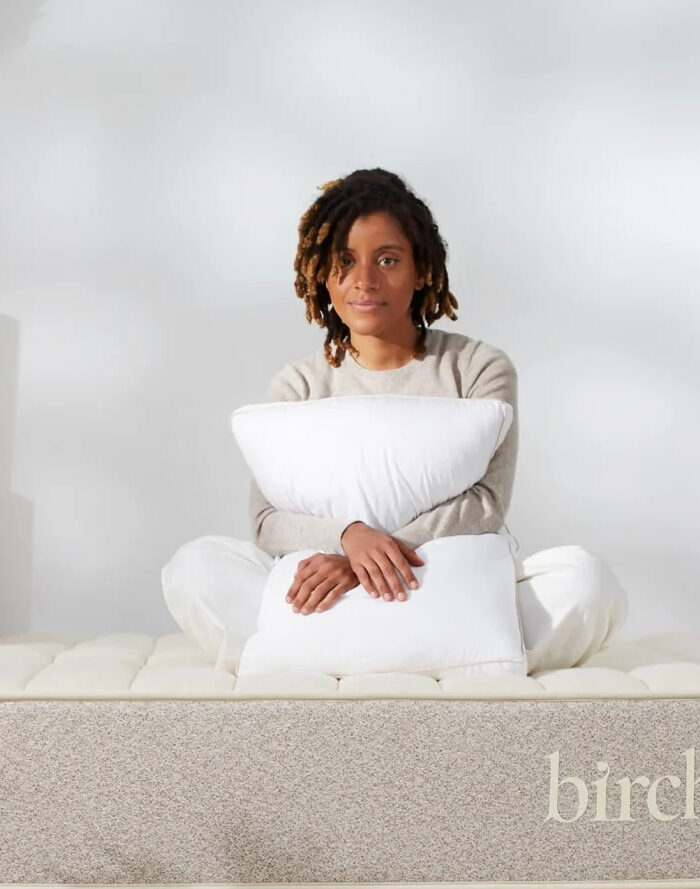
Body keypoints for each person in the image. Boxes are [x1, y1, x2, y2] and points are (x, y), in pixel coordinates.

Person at [162, 167, 628, 674]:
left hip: (436, 577)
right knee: (193, 570)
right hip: (324, 587)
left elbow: (486, 504)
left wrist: (370, 560)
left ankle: (391, 651)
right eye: (344, 261)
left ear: (423, 270)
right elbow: (267, 521)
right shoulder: (297, 386)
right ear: (321, 271)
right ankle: (377, 650)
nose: (364, 281)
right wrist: (349, 538)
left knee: (586, 581)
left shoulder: (478, 368)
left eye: (388, 260)